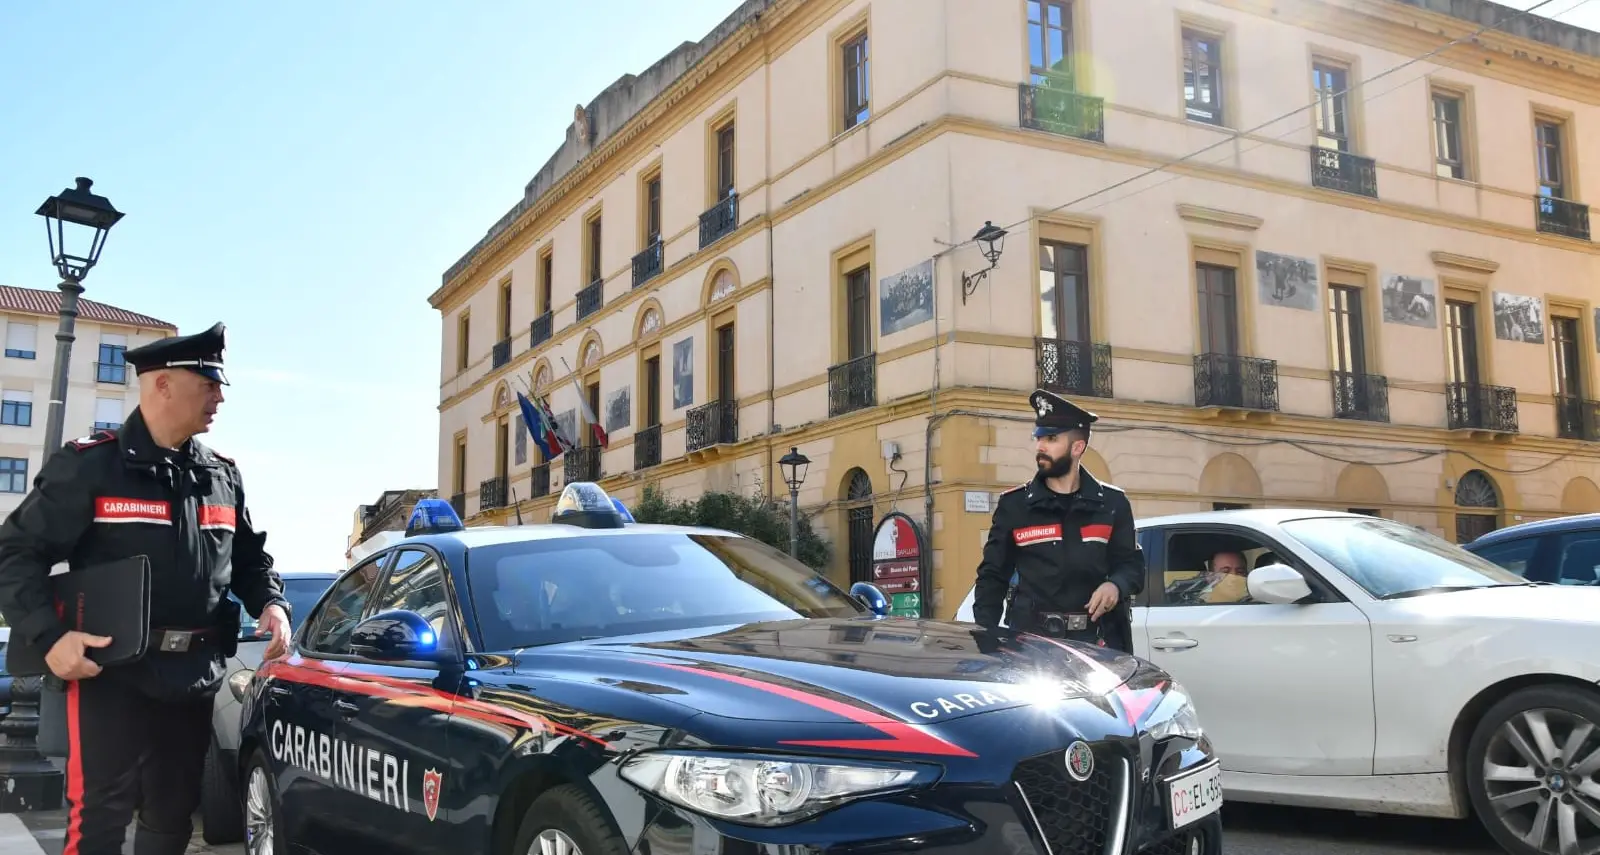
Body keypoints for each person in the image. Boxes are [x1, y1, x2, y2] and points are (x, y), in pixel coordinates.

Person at [0, 322, 291, 855]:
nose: (219, 397)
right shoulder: (91, 466)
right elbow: (15, 554)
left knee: (172, 816)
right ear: (162, 384)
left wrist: (270, 601)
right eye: (208, 384)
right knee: (100, 818)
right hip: (110, 674)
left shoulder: (220, 475)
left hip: (194, 672)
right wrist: (49, 638)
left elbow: (249, 558)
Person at [972, 389, 1144, 652]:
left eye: (1051, 438)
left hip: (1099, 644)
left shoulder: (1112, 503)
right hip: (1031, 646)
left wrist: (1115, 585)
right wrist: (987, 640)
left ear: (1077, 447)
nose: (1040, 446)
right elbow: (992, 577)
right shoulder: (1015, 506)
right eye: (1038, 437)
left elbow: (1131, 566)